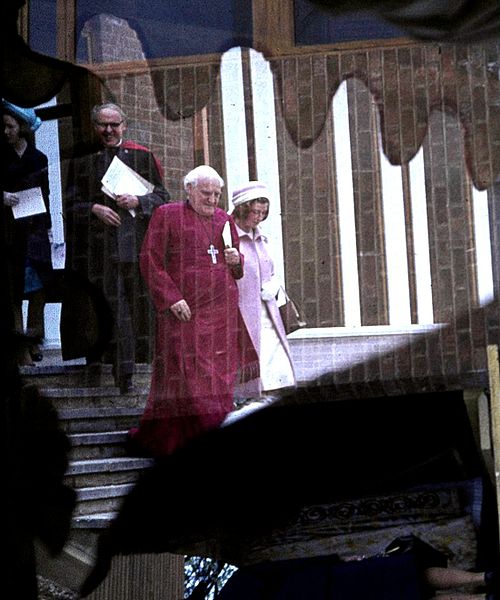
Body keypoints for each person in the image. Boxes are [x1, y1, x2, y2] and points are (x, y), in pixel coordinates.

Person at [127, 165, 259, 457]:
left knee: (218, 378)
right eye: (206, 193)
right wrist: (171, 297)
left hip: (221, 316)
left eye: (217, 194)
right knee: (185, 378)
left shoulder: (225, 220)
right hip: (184, 314)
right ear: (189, 190)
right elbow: (150, 260)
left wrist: (236, 260)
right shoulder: (167, 215)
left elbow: (236, 271)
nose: (212, 200)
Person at [64, 102, 169, 393]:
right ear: (94, 126)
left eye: (114, 125)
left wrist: (139, 202)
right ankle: (121, 375)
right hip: (99, 252)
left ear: (124, 125)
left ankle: (138, 368)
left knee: (138, 311)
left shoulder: (141, 156)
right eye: (102, 125)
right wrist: (94, 208)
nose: (108, 131)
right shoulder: (83, 159)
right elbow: (70, 205)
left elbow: (163, 197)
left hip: (135, 247)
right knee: (112, 311)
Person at [230, 181, 296, 405]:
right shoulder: (229, 238)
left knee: (274, 356)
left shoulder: (263, 238)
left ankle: (270, 394)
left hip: (267, 310)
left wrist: (274, 285)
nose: (258, 217)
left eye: (263, 213)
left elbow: (271, 270)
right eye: (255, 212)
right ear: (242, 208)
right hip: (242, 311)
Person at [2, 100, 53, 366]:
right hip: (9, 232)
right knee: (12, 291)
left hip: (34, 232)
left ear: (21, 127)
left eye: (9, 126)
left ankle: (35, 341)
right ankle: (18, 347)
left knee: (37, 289)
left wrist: (49, 228)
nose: (5, 132)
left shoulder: (38, 158)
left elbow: (45, 194)